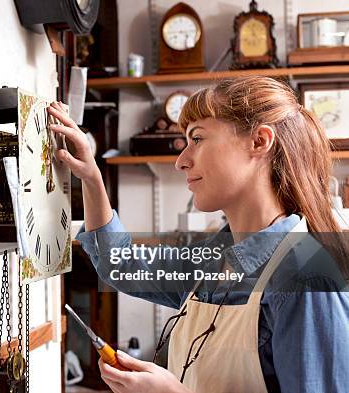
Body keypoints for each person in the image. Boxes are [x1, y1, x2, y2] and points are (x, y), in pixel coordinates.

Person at [48, 76, 349, 393]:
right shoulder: (216, 258)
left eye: (198, 139)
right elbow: (121, 266)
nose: (181, 160)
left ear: (259, 142)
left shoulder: (307, 281)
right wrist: (92, 178)